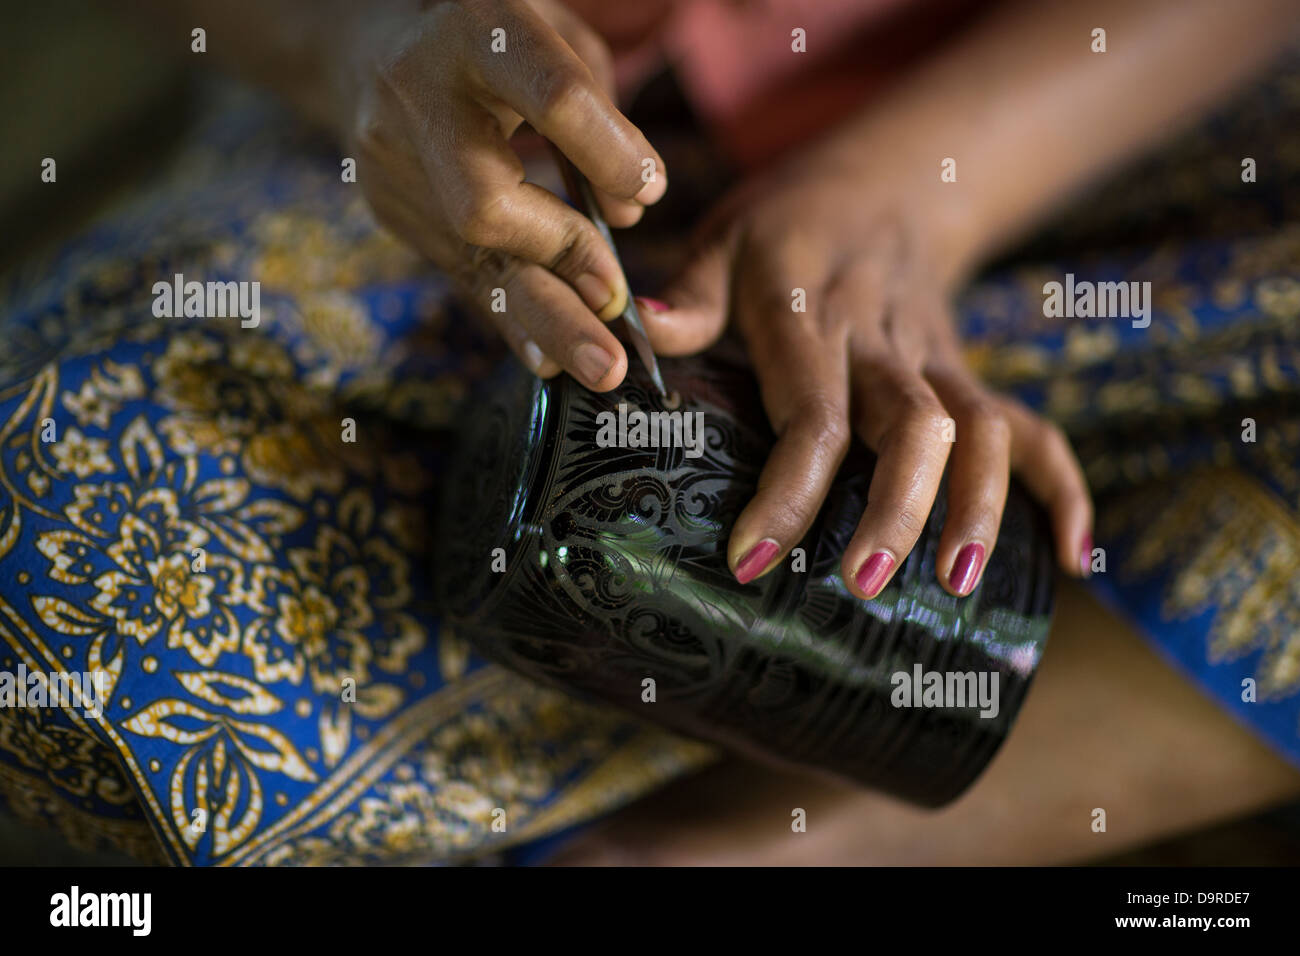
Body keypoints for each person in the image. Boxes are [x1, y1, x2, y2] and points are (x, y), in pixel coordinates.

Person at [1, 0, 1296, 864]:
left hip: (1062, 118)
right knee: (52, 556)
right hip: (435, 153)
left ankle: (768, 847)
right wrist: (361, 52)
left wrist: (899, 195)